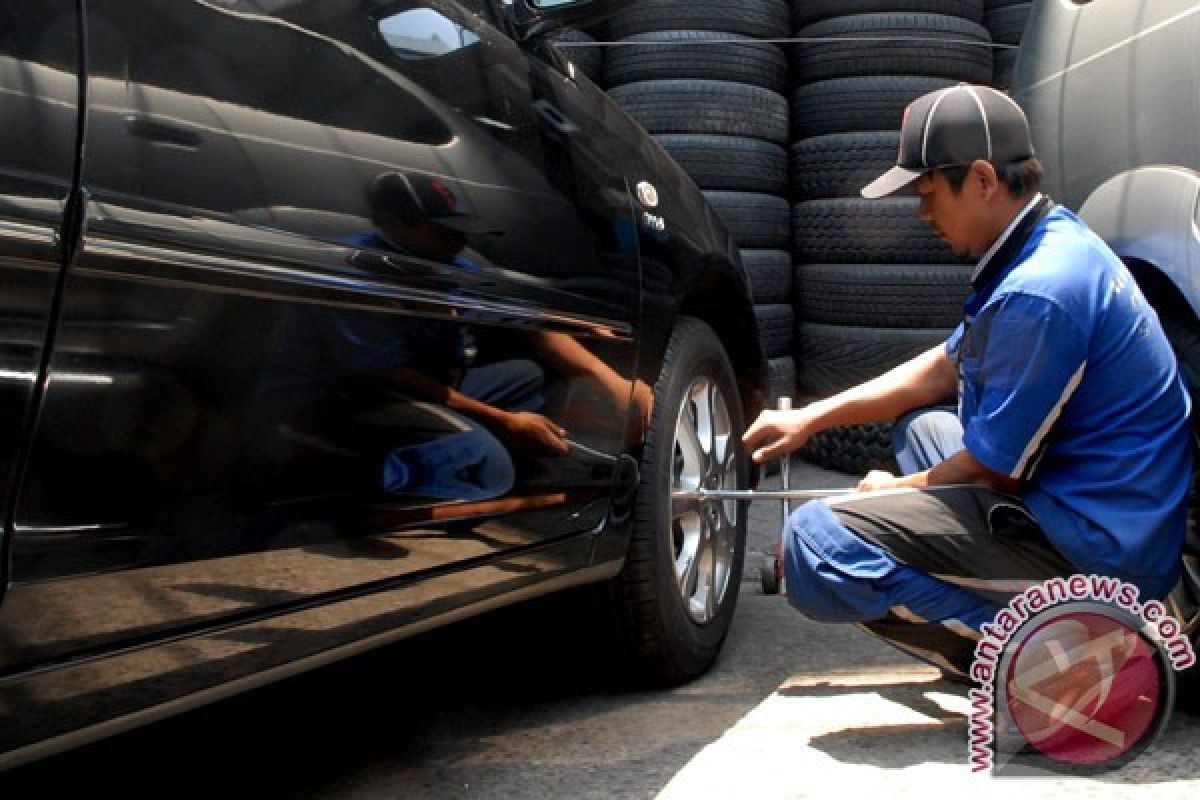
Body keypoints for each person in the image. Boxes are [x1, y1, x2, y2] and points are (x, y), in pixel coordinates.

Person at [743, 84, 1193, 678]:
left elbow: (992, 468)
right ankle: (1041, 628)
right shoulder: (1046, 242)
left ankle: (1081, 659)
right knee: (922, 427)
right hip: (1093, 497)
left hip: (1102, 546)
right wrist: (810, 418)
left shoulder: (1040, 292)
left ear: (982, 180)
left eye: (929, 193)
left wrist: (896, 493)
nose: (923, 214)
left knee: (816, 548)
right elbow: (944, 368)